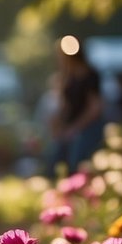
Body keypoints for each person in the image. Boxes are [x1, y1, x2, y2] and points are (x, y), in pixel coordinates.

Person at [45, 36, 104, 176]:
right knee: (55, 160)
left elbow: (95, 108)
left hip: (87, 128)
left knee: (76, 162)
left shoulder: (90, 75)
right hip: (71, 129)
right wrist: (58, 122)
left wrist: (75, 128)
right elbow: (65, 105)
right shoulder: (68, 78)